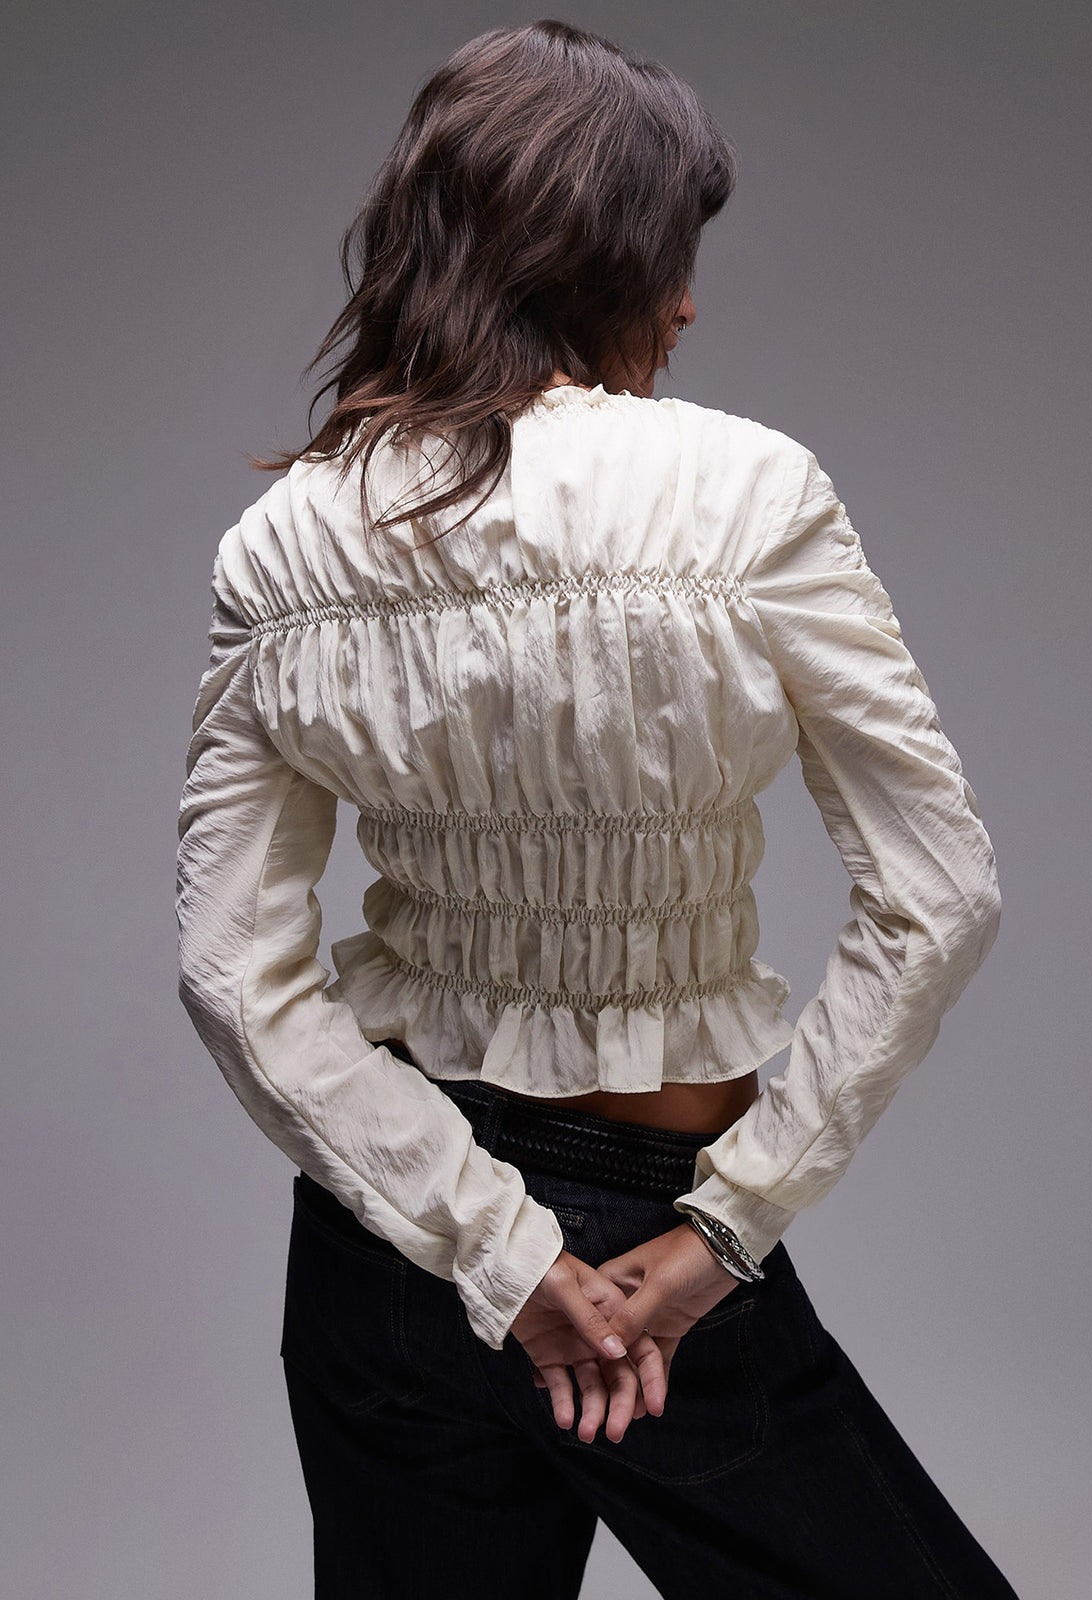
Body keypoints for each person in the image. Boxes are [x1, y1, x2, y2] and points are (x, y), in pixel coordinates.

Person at [175, 19, 1019, 1600]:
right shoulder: (747, 494)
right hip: (645, 1250)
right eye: (673, 252)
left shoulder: (280, 544)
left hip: (384, 1245)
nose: (688, 303)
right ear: (597, 247)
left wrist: (489, 1253)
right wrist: (724, 1237)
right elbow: (942, 894)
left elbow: (232, 973)